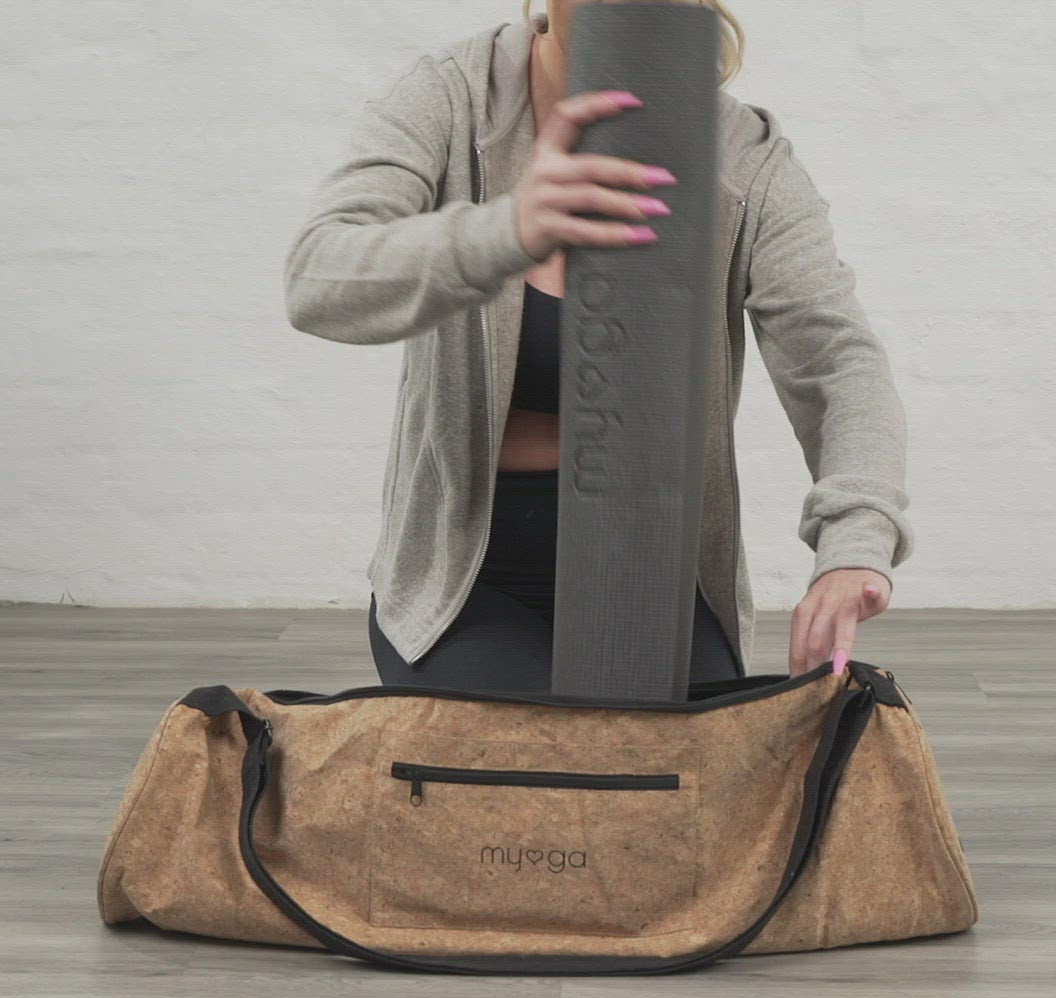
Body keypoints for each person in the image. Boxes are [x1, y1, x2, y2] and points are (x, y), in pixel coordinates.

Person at [284, 0, 914, 691]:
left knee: (673, 758)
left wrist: (855, 541)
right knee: (529, 753)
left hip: (656, 570)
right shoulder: (453, 98)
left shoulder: (743, 159)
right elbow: (318, 281)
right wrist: (510, 230)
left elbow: (838, 363)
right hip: (466, 582)